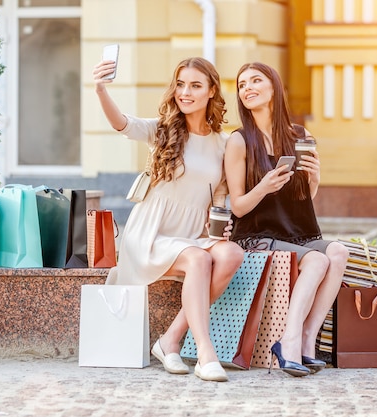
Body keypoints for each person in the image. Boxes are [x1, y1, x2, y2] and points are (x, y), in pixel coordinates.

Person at [93, 56, 244, 382]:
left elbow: (219, 198)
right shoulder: (162, 130)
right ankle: (205, 353)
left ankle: (170, 340)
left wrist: (221, 225)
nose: (185, 92)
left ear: (211, 91)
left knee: (231, 254)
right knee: (199, 262)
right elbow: (122, 123)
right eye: (180, 84)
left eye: (194, 85)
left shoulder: (223, 143)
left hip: (193, 233)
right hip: (151, 233)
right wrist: (100, 88)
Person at [224, 62, 349, 377]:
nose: (247, 88)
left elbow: (302, 197)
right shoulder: (239, 141)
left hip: (297, 233)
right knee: (317, 263)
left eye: (256, 81)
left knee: (337, 252)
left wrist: (315, 178)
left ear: (273, 88)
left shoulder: (300, 135)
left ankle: (308, 338)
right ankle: (288, 341)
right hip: (256, 234)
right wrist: (264, 187)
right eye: (242, 85)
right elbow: (238, 207)